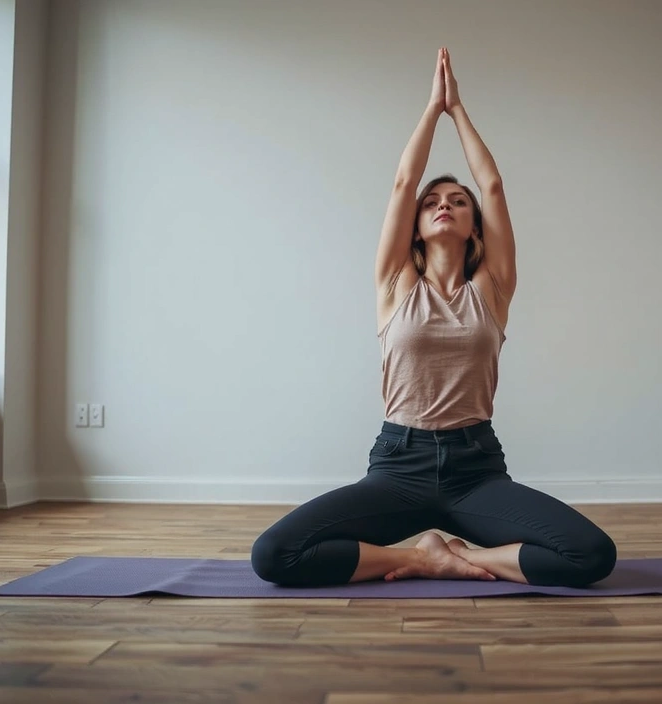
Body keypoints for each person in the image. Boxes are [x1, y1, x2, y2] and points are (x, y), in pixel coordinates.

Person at [251, 48, 616, 588]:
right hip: (399, 465)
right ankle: (424, 558)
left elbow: (492, 186)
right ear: (417, 226)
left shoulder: (492, 289)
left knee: (592, 554)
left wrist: (459, 109)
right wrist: (432, 110)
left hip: (476, 471)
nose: (444, 204)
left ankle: (461, 559)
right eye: (433, 202)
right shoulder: (394, 284)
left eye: (457, 201)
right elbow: (404, 182)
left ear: (475, 227)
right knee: (273, 555)